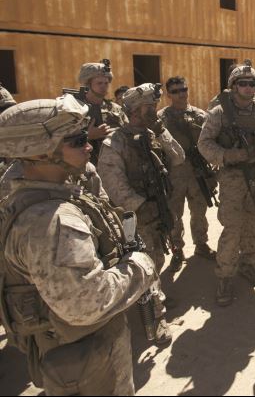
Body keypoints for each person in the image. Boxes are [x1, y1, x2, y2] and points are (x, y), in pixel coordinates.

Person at [0, 95, 155, 395]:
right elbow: (87, 303)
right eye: (77, 141)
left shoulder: (58, 191)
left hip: (86, 349)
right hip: (84, 355)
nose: (89, 146)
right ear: (40, 153)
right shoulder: (52, 222)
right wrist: (140, 266)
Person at [98, 83, 184, 345]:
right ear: (135, 110)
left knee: (157, 259)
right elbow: (113, 185)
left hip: (158, 209)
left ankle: (154, 299)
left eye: (155, 106)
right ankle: (156, 319)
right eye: (149, 107)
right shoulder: (115, 142)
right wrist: (140, 205)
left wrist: (162, 131)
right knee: (145, 264)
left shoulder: (153, 133)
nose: (154, 111)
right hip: (134, 216)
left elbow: (178, 157)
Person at [198, 61, 255, 306]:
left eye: (252, 83)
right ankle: (225, 276)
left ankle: (248, 265)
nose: (248, 87)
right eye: (243, 83)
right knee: (232, 229)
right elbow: (204, 144)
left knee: (254, 225)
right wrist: (227, 155)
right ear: (233, 86)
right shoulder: (219, 113)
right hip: (232, 178)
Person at [158, 76, 217, 262]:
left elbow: (210, 142)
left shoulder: (200, 116)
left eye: (183, 89)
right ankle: (177, 249)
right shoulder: (161, 118)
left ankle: (201, 244)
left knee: (199, 212)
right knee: (174, 214)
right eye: (175, 91)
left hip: (197, 173)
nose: (181, 94)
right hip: (174, 175)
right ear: (168, 95)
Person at [76, 60, 128, 165]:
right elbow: (60, 141)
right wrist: (88, 136)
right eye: (99, 83)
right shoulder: (75, 109)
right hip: (87, 166)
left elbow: (129, 133)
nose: (104, 86)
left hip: (116, 166)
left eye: (106, 83)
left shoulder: (116, 109)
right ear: (87, 85)